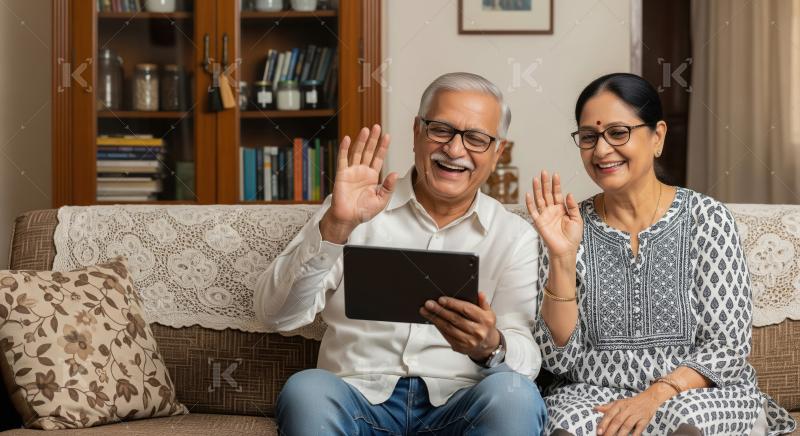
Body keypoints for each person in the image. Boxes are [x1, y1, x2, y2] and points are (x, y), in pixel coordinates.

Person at [255, 72, 546, 435]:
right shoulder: (352, 210)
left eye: (475, 138)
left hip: (458, 406)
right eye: (441, 129)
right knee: (306, 388)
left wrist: (492, 346)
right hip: (357, 397)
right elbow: (275, 315)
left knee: (517, 395)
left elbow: (528, 357)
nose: (455, 150)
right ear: (417, 133)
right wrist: (335, 227)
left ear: (497, 151)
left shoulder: (515, 236)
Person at [527, 72, 797, 435]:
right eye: (589, 137)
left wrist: (655, 395)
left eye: (618, 133)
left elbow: (727, 347)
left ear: (658, 137)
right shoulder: (567, 226)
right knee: (568, 424)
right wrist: (561, 255)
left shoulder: (707, 219)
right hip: (594, 393)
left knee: (687, 423)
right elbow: (559, 360)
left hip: (698, 392)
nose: (601, 150)